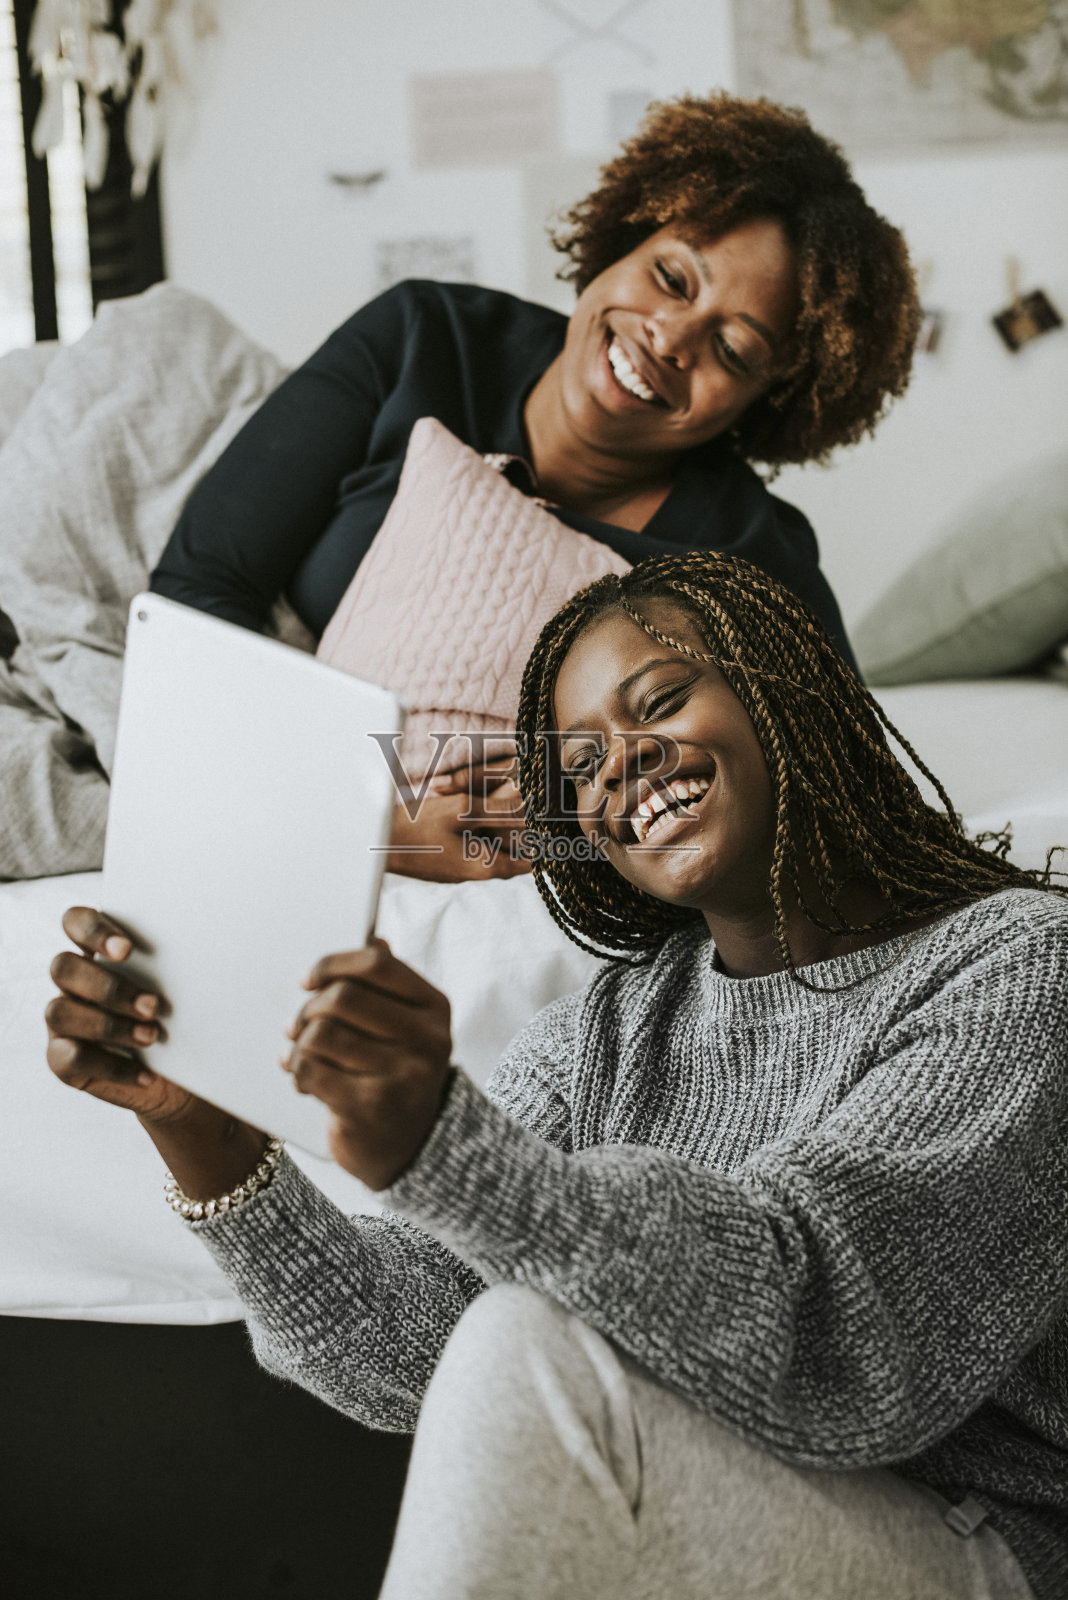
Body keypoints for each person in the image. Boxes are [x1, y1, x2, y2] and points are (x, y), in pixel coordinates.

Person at [46, 551, 1067, 1600]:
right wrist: (204, 1134)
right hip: (699, 1523)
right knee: (508, 1338)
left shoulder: (1019, 965)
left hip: (975, 1553)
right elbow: (418, 1354)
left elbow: (840, 1333)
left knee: (531, 1340)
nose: (621, 763)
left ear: (784, 688)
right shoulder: (605, 1035)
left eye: (659, 700)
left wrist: (445, 1146)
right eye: (581, 766)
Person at [149, 92, 919, 880]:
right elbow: (197, 587)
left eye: (732, 349)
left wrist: (565, 826)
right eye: (671, 278)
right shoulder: (424, 339)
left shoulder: (745, 554)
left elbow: (850, 795)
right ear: (622, 241)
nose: (670, 336)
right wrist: (364, 819)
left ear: (768, 404)